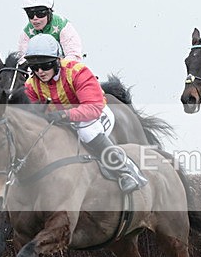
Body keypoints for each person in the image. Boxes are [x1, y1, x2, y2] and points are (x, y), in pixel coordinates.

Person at [22, 34, 146, 193]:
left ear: (57, 61)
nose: (40, 71)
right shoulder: (31, 85)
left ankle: (125, 171)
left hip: (94, 114)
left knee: (87, 131)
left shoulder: (77, 72)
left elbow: (93, 108)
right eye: (34, 67)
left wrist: (65, 115)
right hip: (61, 120)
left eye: (45, 65)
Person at [18, 0, 84, 64]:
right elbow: (22, 60)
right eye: (30, 14)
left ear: (49, 12)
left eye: (40, 13)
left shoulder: (63, 26)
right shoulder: (26, 32)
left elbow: (74, 55)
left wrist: (55, 67)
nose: (35, 18)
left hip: (62, 67)